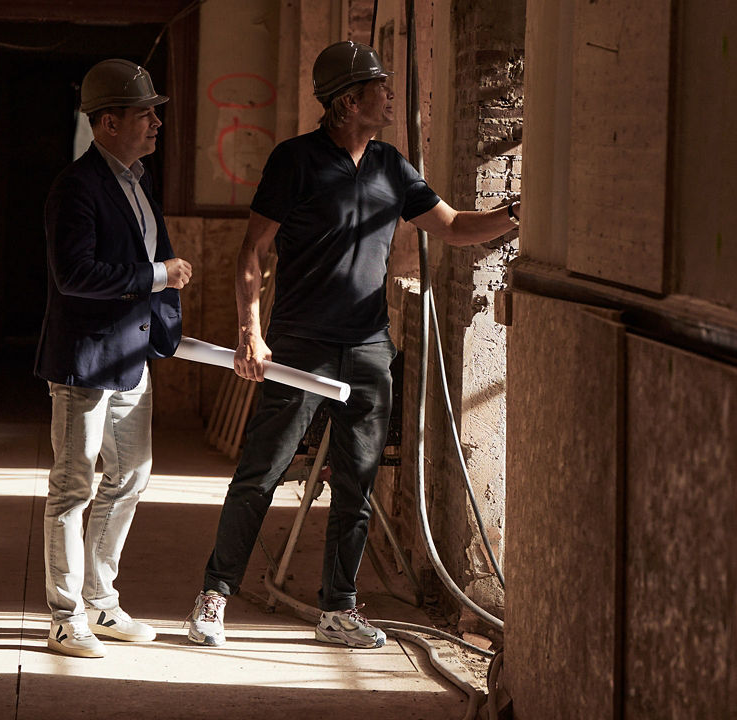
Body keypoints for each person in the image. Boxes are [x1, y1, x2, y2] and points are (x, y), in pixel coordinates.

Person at [186, 41, 520, 649]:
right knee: (260, 473)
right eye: (379, 87)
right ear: (347, 102)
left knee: (357, 485)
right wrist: (251, 335)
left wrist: (514, 215)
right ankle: (215, 595)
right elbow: (251, 253)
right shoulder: (296, 161)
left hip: (368, 349)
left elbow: (451, 228)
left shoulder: (393, 166)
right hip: (297, 348)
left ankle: (337, 609)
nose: (390, 96)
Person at [35, 58, 192, 658]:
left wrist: (164, 321)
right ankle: (64, 616)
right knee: (73, 487)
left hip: (130, 357)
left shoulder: (137, 180)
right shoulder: (75, 188)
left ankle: (101, 604)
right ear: (106, 123)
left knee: (130, 478)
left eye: (155, 112)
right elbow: (74, 275)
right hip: (85, 363)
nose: (156, 122)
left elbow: (161, 252)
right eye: (144, 113)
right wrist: (158, 276)